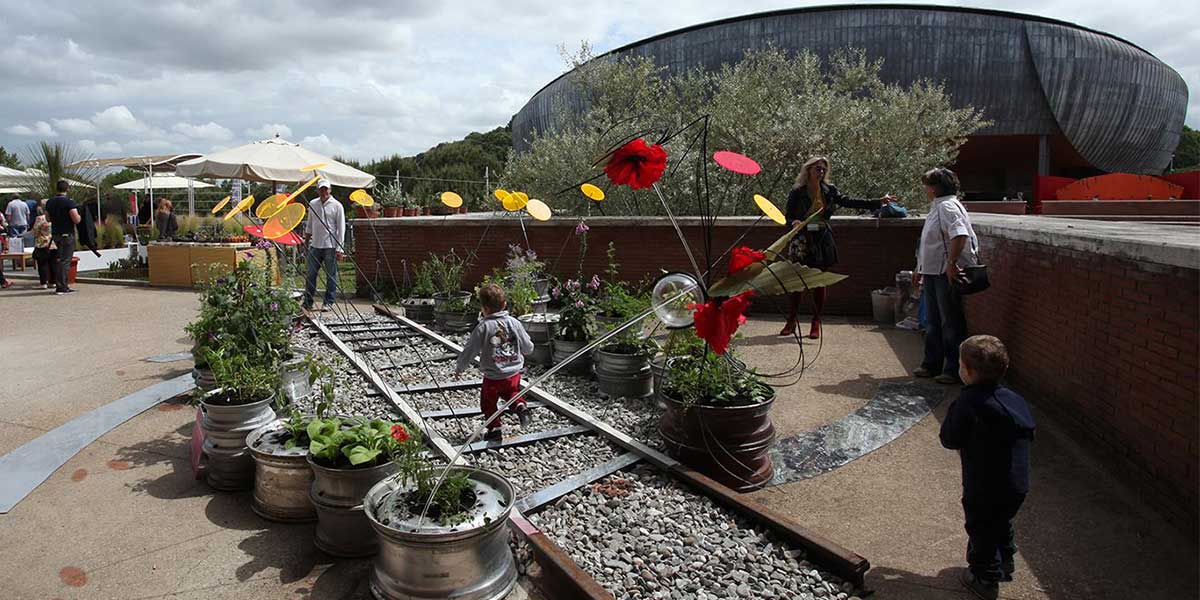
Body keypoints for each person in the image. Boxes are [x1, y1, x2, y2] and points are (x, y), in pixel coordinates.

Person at [939, 335, 1035, 600]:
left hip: (984, 485)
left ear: (967, 371)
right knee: (1001, 520)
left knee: (981, 528)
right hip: (1017, 483)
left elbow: (950, 439)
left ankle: (985, 577)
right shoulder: (1015, 399)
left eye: (960, 364)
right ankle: (1006, 560)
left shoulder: (968, 403)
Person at [781, 156, 896, 338]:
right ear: (808, 169)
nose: (820, 172)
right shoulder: (797, 191)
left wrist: (878, 202)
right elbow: (787, 217)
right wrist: (793, 222)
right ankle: (791, 320)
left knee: (820, 281)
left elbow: (849, 201)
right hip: (802, 239)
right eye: (817, 168)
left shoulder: (829, 190)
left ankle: (816, 322)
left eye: (823, 170)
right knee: (797, 281)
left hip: (822, 238)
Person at [913, 167, 980, 383]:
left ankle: (953, 369)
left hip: (944, 272)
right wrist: (919, 267)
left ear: (934, 188)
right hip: (933, 271)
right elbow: (931, 242)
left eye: (927, 185)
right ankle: (931, 364)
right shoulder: (939, 206)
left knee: (949, 322)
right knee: (933, 321)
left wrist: (951, 263)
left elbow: (959, 235)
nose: (925, 189)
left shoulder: (947, 207)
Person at [454, 284, 535, 441]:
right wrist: (528, 349)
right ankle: (521, 407)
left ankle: (495, 429)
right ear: (504, 305)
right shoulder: (514, 323)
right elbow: (527, 346)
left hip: (492, 377)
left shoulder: (483, 327)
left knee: (488, 403)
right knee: (511, 393)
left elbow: (470, 350)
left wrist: (460, 367)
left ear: (483, 308)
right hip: (513, 374)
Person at [302, 179, 345, 312]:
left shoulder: (337, 206)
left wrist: (340, 249)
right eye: (321, 189)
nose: (324, 192)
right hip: (315, 245)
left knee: (331, 275)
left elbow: (341, 228)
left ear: (330, 190)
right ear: (318, 190)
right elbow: (309, 224)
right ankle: (308, 301)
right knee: (310, 274)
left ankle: (329, 301)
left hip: (330, 246)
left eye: (326, 189)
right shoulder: (313, 204)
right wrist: (306, 240)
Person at [46, 180, 80, 295]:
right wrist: (80, 217)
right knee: (65, 260)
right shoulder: (69, 202)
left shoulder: (50, 202)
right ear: (67, 189)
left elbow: (47, 218)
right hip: (67, 233)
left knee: (60, 258)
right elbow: (76, 219)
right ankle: (62, 286)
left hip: (56, 234)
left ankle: (59, 284)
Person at [31, 205, 57, 289]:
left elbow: (35, 231)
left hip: (42, 243)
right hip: (53, 243)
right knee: (53, 263)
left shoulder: (40, 218)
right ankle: (52, 282)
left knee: (42, 264)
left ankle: (43, 282)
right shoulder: (55, 217)